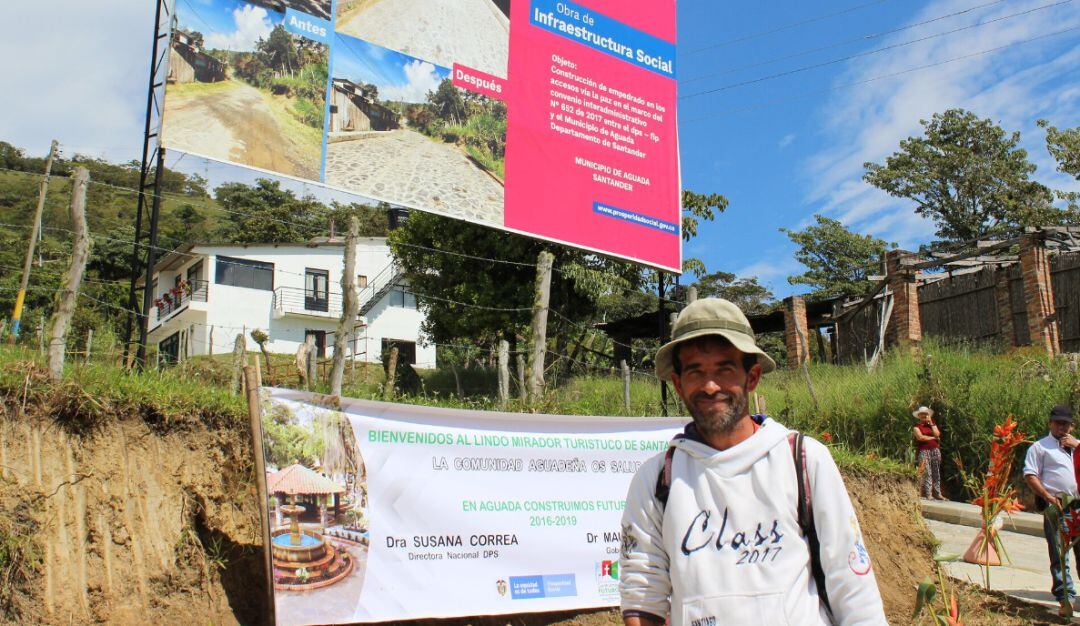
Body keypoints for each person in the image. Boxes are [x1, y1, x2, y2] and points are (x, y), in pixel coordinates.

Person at [619, 298, 887, 626]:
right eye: (695, 372)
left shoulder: (802, 460)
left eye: (724, 369)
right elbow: (642, 594)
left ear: (753, 376)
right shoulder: (656, 479)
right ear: (678, 384)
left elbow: (853, 586)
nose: (710, 385)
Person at [1024, 404, 1080, 617]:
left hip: (1078, 504)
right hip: (1057, 503)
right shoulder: (1040, 447)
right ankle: (1065, 597)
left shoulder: (1077, 446)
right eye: (1058, 423)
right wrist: (1046, 496)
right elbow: (1030, 474)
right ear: (1050, 424)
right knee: (1059, 552)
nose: (1061, 428)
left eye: (1065, 424)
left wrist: (1078, 446)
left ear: (1071, 426)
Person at [912, 406, 945, 500]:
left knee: (936, 471)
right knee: (927, 472)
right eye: (922, 414)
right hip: (924, 450)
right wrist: (933, 438)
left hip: (935, 450)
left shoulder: (932, 425)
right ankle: (928, 494)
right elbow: (920, 437)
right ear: (919, 415)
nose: (924, 415)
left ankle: (938, 493)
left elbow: (937, 434)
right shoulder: (916, 427)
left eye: (926, 414)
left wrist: (931, 423)